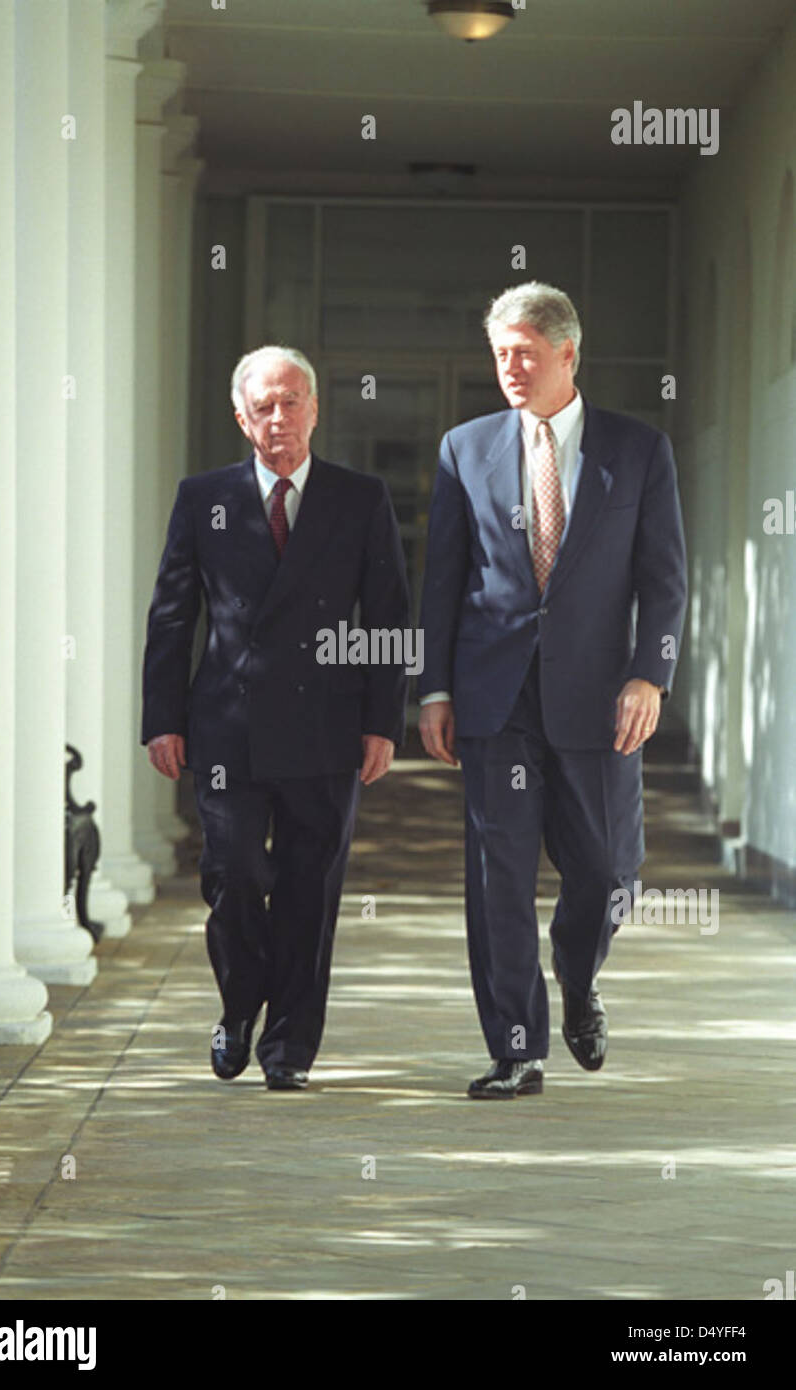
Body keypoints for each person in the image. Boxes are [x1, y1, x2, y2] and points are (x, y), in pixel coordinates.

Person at [418, 282, 688, 1099]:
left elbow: (664, 579)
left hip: (600, 698)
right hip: (494, 699)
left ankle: (577, 978)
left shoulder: (637, 451)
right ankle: (515, 1048)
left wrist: (651, 673)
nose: (509, 367)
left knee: (607, 870)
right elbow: (442, 580)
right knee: (499, 876)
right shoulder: (464, 448)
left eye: (525, 353)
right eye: (499, 353)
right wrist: (432, 689)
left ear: (568, 354)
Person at [141, 346, 409, 1091]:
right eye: (264, 404)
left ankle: (288, 1047)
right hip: (226, 723)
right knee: (230, 875)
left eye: (293, 401)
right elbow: (172, 616)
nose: (279, 416)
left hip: (326, 727)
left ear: (316, 409)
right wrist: (162, 718)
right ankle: (238, 1004)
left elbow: (388, 616)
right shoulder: (205, 498)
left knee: (308, 889)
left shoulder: (360, 498)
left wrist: (384, 721)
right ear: (241, 416)